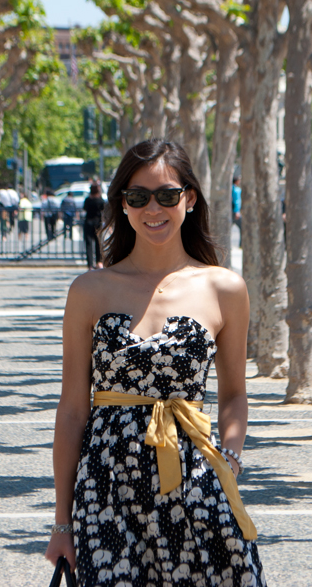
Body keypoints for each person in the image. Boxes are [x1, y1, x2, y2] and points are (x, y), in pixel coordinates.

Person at [45, 139, 266, 587]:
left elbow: (235, 394)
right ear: (122, 205)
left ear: (189, 198)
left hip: (196, 479)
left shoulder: (224, 288)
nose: (154, 208)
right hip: (106, 487)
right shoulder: (89, 289)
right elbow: (72, 410)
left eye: (167, 195)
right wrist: (62, 523)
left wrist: (230, 461)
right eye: (138, 196)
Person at [83, 183, 105, 270]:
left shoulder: (88, 200)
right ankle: (99, 262)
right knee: (98, 243)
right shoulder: (100, 200)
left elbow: (84, 208)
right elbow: (103, 210)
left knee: (88, 244)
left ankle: (90, 265)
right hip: (98, 223)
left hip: (88, 222)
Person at [232, 175, 242, 248]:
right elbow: (237, 201)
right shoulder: (237, 190)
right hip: (235, 212)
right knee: (242, 228)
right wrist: (237, 211)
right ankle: (241, 244)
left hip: (230, 212)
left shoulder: (230, 188)